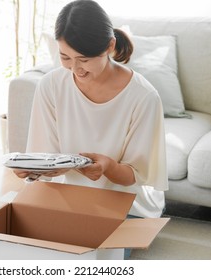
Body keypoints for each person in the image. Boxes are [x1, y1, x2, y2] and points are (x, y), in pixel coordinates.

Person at [14, 0, 168, 231]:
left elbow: (135, 177)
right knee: (29, 244)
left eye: (84, 59)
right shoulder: (50, 85)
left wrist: (108, 167)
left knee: (91, 256)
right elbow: (46, 156)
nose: (76, 69)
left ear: (109, 46)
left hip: (128, 205)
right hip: (69, 197)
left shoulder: (144, 96)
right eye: (65, 57)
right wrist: (33, 168)